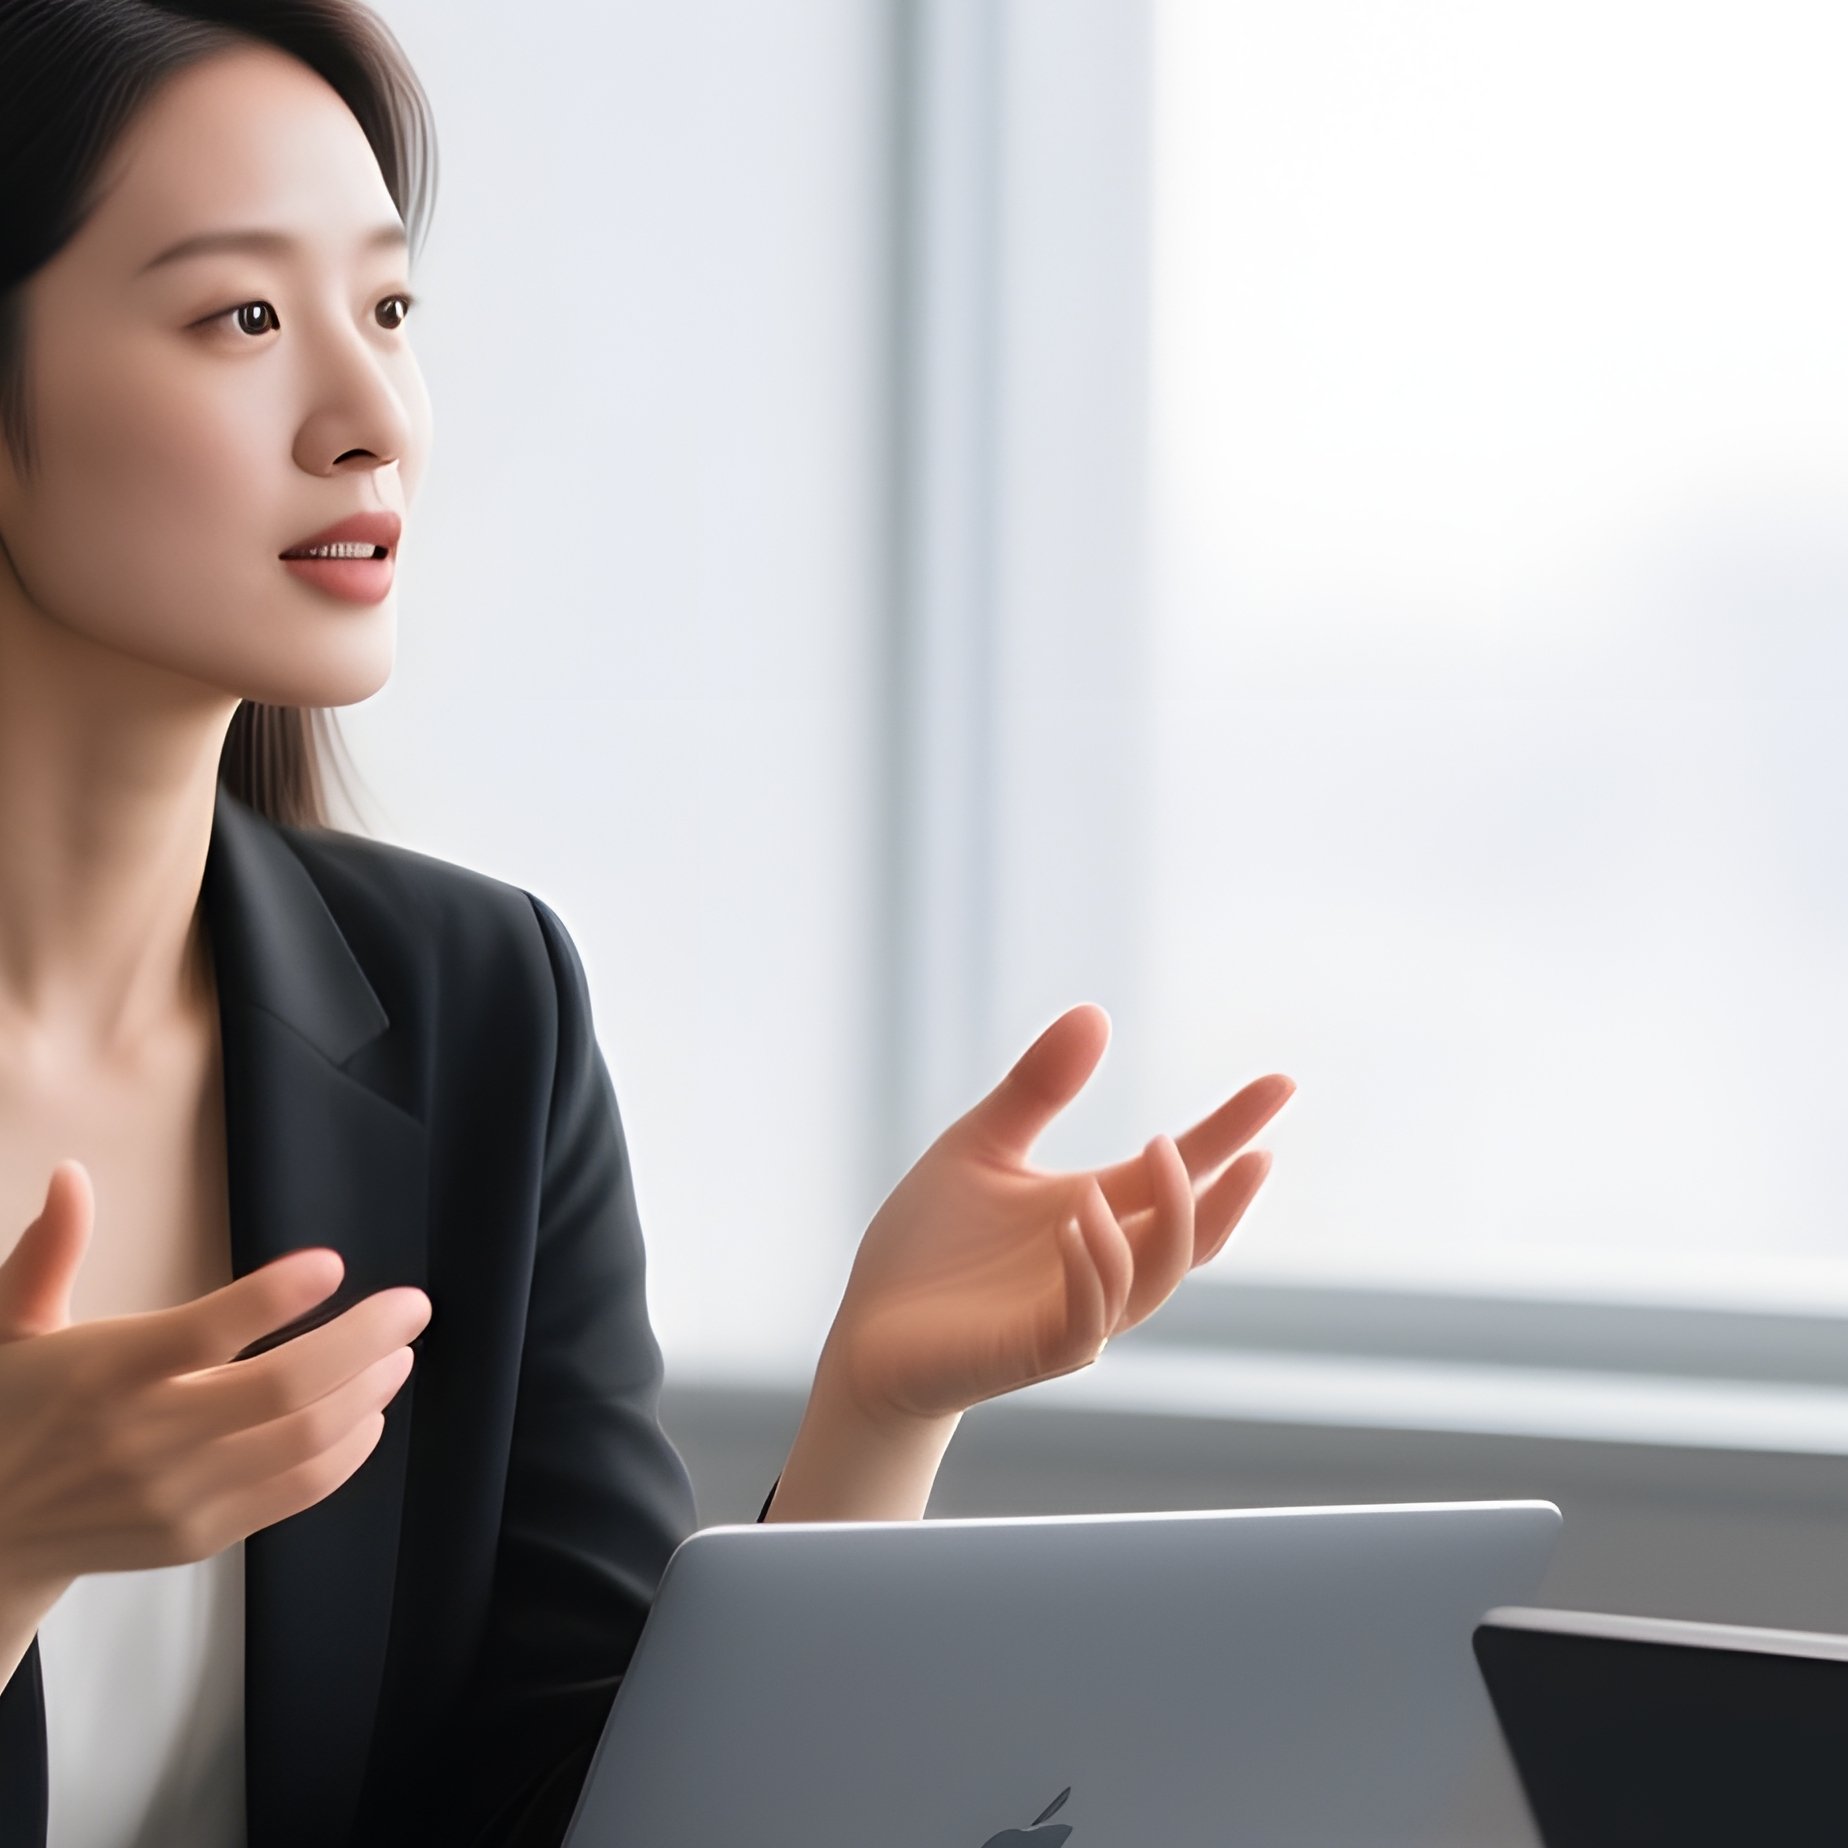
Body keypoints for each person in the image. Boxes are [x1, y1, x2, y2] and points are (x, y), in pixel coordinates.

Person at [0, 4, 1297, 1845]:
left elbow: (587, 1812)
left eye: (388, 309)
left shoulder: (481, 1009)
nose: (372, 420)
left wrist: (873, 1416)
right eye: (245, 319)